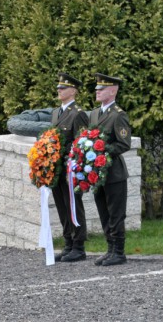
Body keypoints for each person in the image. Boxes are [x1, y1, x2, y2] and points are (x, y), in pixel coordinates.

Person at [89, 73, 132, 267]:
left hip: (114, 172)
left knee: (116, 213)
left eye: (102, 88)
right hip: (97, 173)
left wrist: (102, 151)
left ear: (113, 91)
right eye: (97, 88)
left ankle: (119, 252)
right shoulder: (94, 114)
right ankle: (110, 249)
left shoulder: (118, 115)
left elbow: (124, 143)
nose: (97, 91)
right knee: (103, 211)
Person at [50, 72, 89, 262]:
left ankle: (78, 246)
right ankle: (68, 243)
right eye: (58, 87)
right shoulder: (56, 113)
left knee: (73, 206)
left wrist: (74, 166)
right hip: (56, 168)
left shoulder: (78, 114)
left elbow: (81, 143)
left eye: (63, 88)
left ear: (73, 91)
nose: (59, 90)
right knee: (62, 205)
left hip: (70, 169)